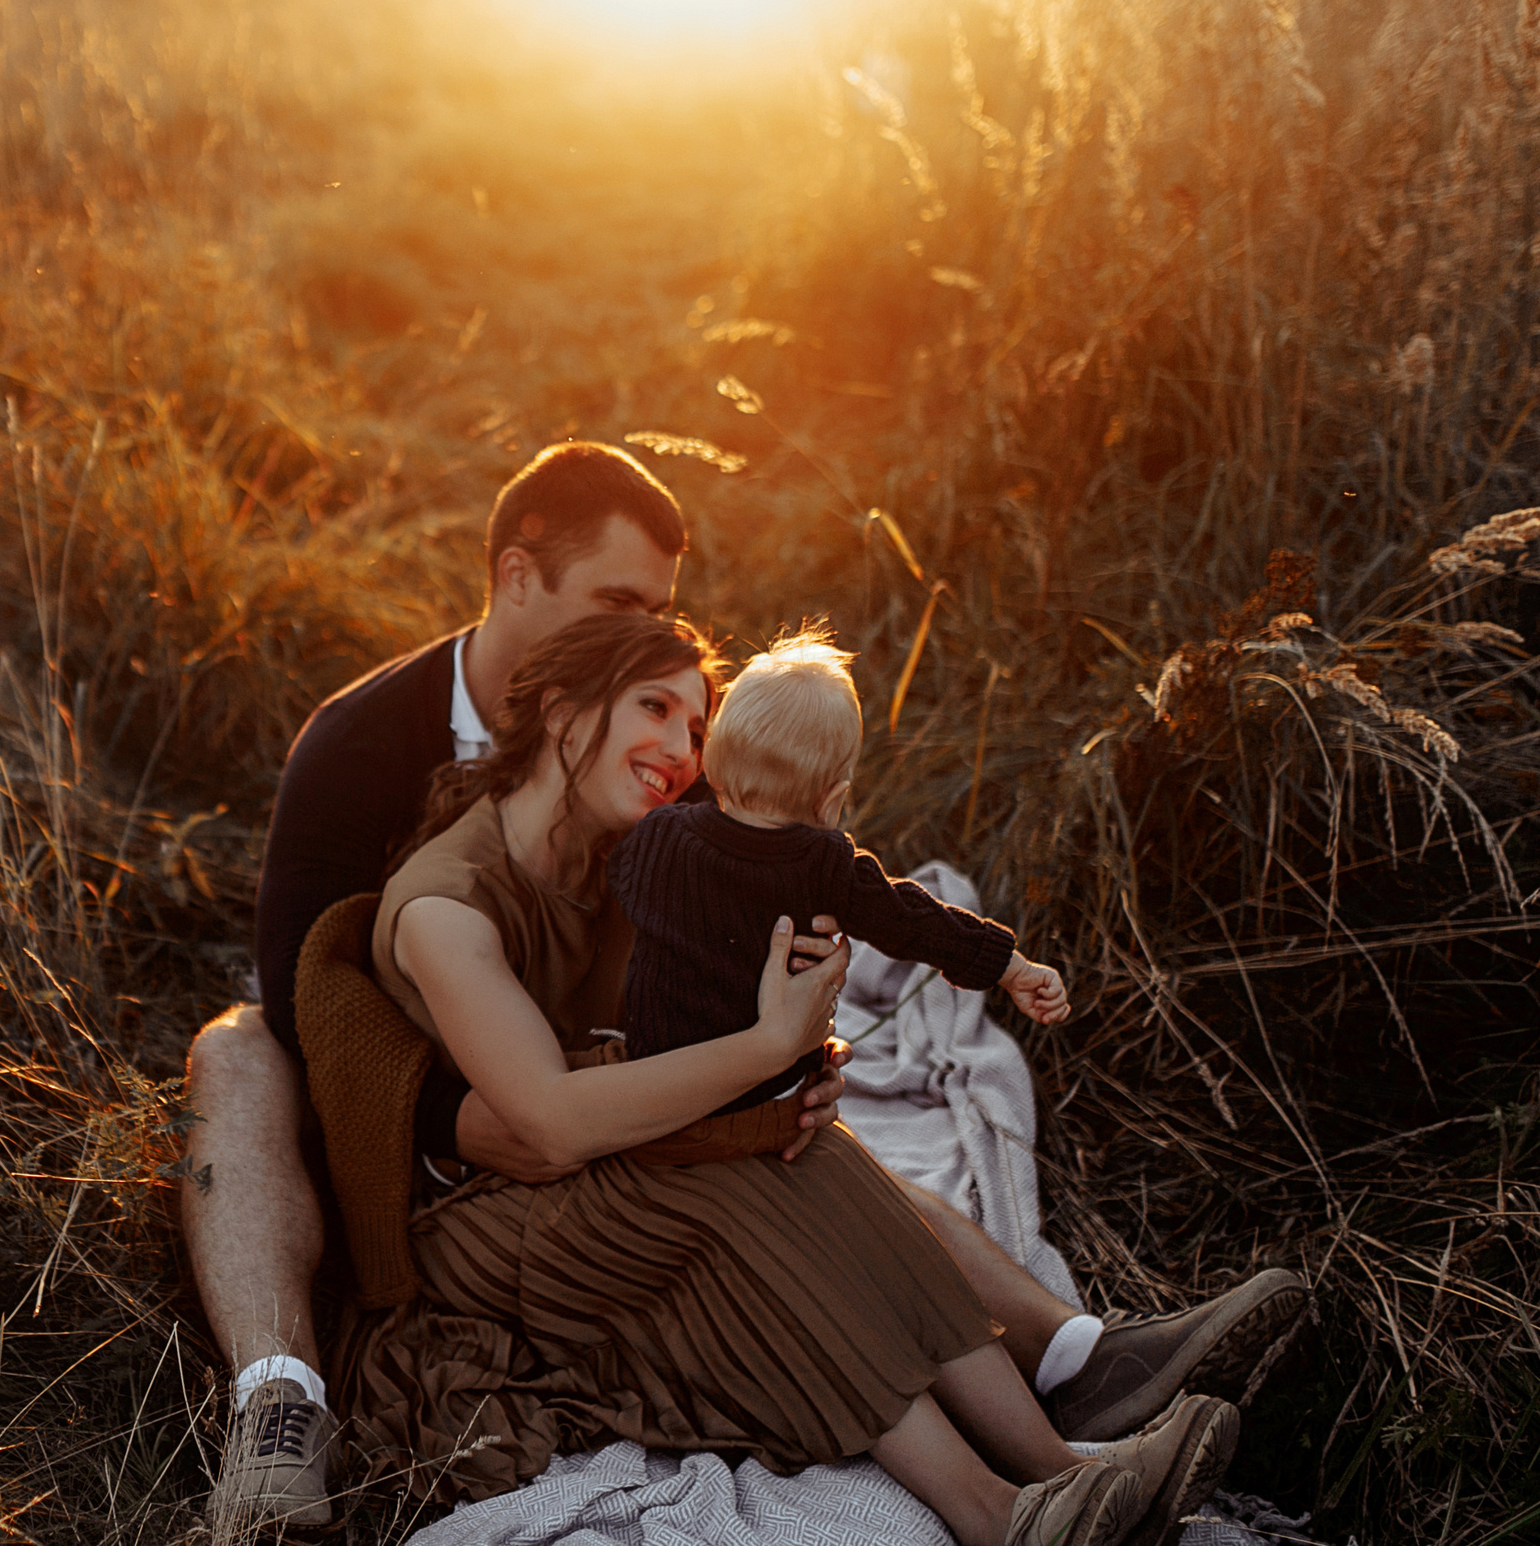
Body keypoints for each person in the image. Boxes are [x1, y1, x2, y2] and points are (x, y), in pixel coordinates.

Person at [180, 442, 1305, 1530]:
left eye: (686, 702)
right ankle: (280, 1401)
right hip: (433, 1126)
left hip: (576, 1075)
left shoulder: (637, 790)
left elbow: (687, 956)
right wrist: (472, 1120)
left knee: (791, 1155)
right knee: (237, 1050)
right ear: (518, 580)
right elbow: (304, 1004)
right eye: (619, 613)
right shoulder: (370, 760)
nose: (673, 722)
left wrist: (786, 1065)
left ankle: (1072, 1381)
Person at [307, 612, 1238, 1546]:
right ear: (561, 712)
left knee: (824, 1173)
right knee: (754, 1209)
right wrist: (764, 1051)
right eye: (655, 708)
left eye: (699, 727)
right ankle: (994, 1514)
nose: (681, 750)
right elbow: (548, 1122)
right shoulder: (448, 904)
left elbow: (721, 981)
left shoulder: (637, 850)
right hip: (482, 1228)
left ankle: (1058, 1467)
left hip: (611, 1160)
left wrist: (798, 1073)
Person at [612, 628, 1072, 1105]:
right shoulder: (825, 865)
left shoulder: (658, 835)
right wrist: (1009, 966)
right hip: (765, 1102)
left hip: (653, 1092)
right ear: (833, 800)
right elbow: (911, 921)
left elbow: (623, 881)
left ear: (708, 759)